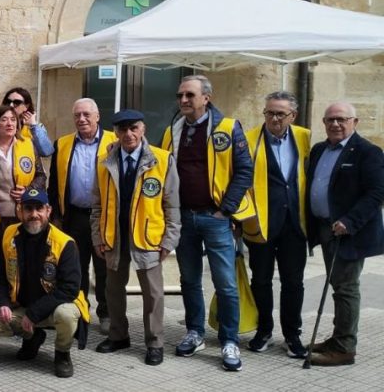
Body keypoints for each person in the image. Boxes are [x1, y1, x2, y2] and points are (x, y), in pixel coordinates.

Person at [160, 74, 253, 371]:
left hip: (216, 218)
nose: (183, 100)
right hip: (183, 218)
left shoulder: (228, 127)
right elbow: (160, 170)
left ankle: (229, 340)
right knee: (189, 280)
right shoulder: (172, 130)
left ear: (206, 98)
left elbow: (244, 171)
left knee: (225, 283)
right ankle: (195, 332)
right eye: (180, 95)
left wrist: (226, 210)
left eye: (189, 95)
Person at [92, 109, 180, 366]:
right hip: (114, 236)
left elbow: (172, 205)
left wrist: (169, 240)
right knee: (112, 290)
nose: (128, 134)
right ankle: (118, 335)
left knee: (153, 293)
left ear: (143, 129)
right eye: (123, 129)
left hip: (147, 237)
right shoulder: (105, 162)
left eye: (134, 128)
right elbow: (96, 205)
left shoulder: (162, 160)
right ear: (116, 132)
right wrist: (97, 236)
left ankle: (155, 342)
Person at [306, 102, 384, 366]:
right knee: (338, 285)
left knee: (346, 287)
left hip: (349, 232)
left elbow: (377, 193)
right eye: (330, 119)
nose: (335, 124)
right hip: (325, 227)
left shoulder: (368, 152)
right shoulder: (319, 149)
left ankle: (344, 348)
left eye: (342, 119)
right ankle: (338, 338)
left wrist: (350, 221)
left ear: (355, 122)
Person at [0, 188, 88, 378]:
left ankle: (62, 353)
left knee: (66, 315)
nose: (34, 214)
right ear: (20, 211)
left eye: (39, 208)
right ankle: (32, 337)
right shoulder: (9, 235)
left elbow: (69, 289)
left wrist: (34, 314)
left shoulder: (65, 243)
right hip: (24, 306)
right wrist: (1, 303)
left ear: (48, 210)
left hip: (56, 307)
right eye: (28, 208)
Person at [243, 92, 310, 357]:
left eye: (280, 114)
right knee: (260, 280)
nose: (274, 118)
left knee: (293, 282)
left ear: (293, 116)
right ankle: (264, 330)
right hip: (260, 223)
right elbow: (238, 179)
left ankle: (292, 335)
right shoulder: (249, 139)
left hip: (295, 223)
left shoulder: (305, 137)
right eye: (269, 112)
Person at [48, 98, 117, 335]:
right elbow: (54, 183)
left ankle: (106, 313)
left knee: (104, 268)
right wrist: (56, 216)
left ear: (98, 116)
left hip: (104, 217)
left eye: (87, 114)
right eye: (77, 115)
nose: (82, 119)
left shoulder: (114, 142)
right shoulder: (63, 144)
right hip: (74, 216)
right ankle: (80, 311)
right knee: (76, 267)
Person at [0, 104, 45, 234]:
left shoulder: (28, 145)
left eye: (13, 119)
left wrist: (28, 190)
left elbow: (41, 175)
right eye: (4, 119)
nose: (9, 123)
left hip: (23, 215)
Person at [0, 87, 55, 157]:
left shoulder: (36, 128)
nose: (11, 105)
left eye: (16, 102)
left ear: (26, 106)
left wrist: (33, 126)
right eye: (7, 102)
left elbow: (47, 152)